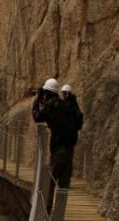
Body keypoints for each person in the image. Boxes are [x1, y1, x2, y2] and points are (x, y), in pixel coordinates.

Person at [32, 78, 83, 213]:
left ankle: (45, 213)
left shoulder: (51, 106)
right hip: (69, 147)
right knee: (64, 184)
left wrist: (37, 100)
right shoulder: (64, 105)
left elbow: (37, 116)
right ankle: (58, 215)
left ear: (47, 93)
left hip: (60, 149)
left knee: (50, 181)